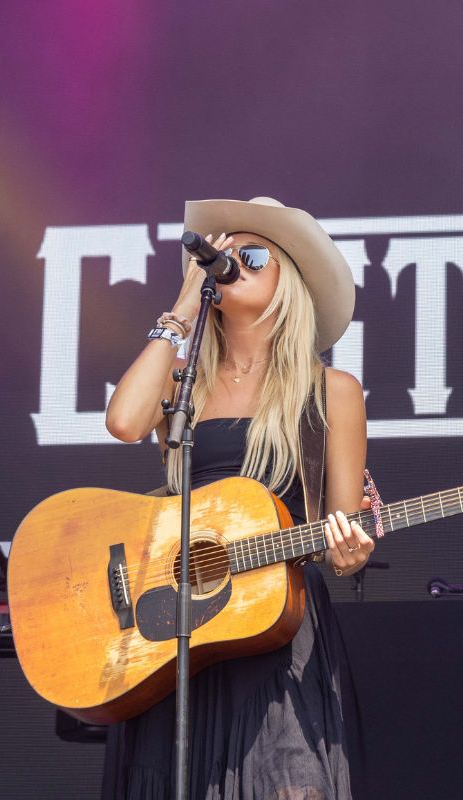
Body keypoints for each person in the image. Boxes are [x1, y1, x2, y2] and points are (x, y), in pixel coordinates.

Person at [101, 197, 372, 799]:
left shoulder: (331, 390)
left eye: (253, 256)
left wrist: (349, 553)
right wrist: (180, 311)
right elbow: (123, 421)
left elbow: (343, 529)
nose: (232, 263)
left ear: (289, 283)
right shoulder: (183, 383)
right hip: (173, 628)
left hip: (273, 628)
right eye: (223, 255)